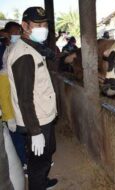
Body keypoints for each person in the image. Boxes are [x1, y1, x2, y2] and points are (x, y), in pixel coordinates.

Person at [6, 7, 58, 190]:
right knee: (38, 163)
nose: (43, 28)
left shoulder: (32, 48)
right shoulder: (24, 55)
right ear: (25, 26)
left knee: (47, 153)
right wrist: (35, 132)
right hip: (36, 119)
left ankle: (43, 181)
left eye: (45, 24)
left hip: (44, 114)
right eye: (37, 24)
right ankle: (38, 185)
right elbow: (25, 98)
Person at [0, 21, 28, 177]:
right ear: (8, 34)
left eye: (20, 31)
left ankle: (25, 160)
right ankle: (24, 165)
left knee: (21, 137)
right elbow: (3, 91)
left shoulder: (16, 49)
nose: (19, 33)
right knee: (16, 137)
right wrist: (8, 116)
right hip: (9, 107)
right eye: (16, 31)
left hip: (18, 104)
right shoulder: (4, 53)